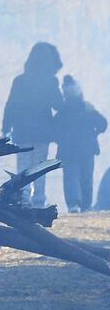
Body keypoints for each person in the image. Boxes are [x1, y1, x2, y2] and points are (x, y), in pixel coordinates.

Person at [2, 42, 64, 206]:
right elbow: (58, 105)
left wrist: (6, 128)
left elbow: (11, 105)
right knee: (40, 166)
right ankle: (39, 199)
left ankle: (24, 197)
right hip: (43, 132)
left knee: (23, 166)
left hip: (21, 131)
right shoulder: (50, 81)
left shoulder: (19, 81)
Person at [54, 75, 107, 212]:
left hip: (67, 151)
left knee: (71, 178)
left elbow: (53, 129)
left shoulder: (62, 112)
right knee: (86, 178)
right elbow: (103, 124)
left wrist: (60, 139)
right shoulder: (88, 109)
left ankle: (73, 205)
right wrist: (94, 133)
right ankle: (86, 206)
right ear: (80, 92)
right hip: (87, 149)